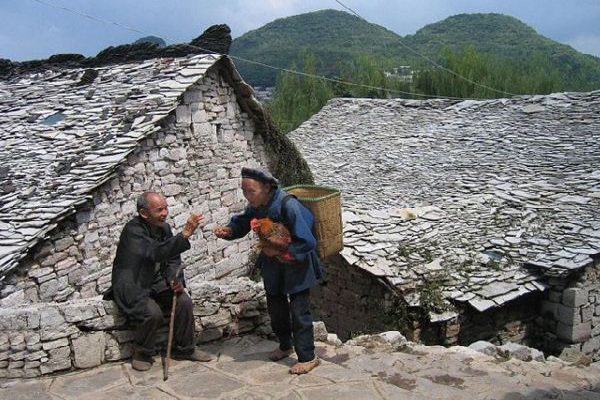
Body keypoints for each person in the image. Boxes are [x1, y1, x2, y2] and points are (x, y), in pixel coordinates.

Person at [213, 167, 322, 374]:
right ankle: (285, 345)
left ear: (267, 188)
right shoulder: (257, 206)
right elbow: (243, 221)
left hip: (297, 267)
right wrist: (229, 230)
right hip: (273, 267)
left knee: (299, 312)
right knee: (276, 309)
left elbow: (307, 242)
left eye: (251, 191)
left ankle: (308, 357)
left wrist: (282, 251)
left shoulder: (289, 206)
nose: (247, 196)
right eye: (244, 192)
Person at [110, 191, 212, 371]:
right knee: (152, 313)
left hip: (157, 281)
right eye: (159, 210)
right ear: (144, 213)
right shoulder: (133, 231)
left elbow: (172, 259)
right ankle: (142, 353)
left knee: (184, 302)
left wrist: (175, 279)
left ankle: (185, 348)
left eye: (166, 208)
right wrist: (184, 235)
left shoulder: (163, 228)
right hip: (134, 283)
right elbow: (154, 252)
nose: (165, 213)